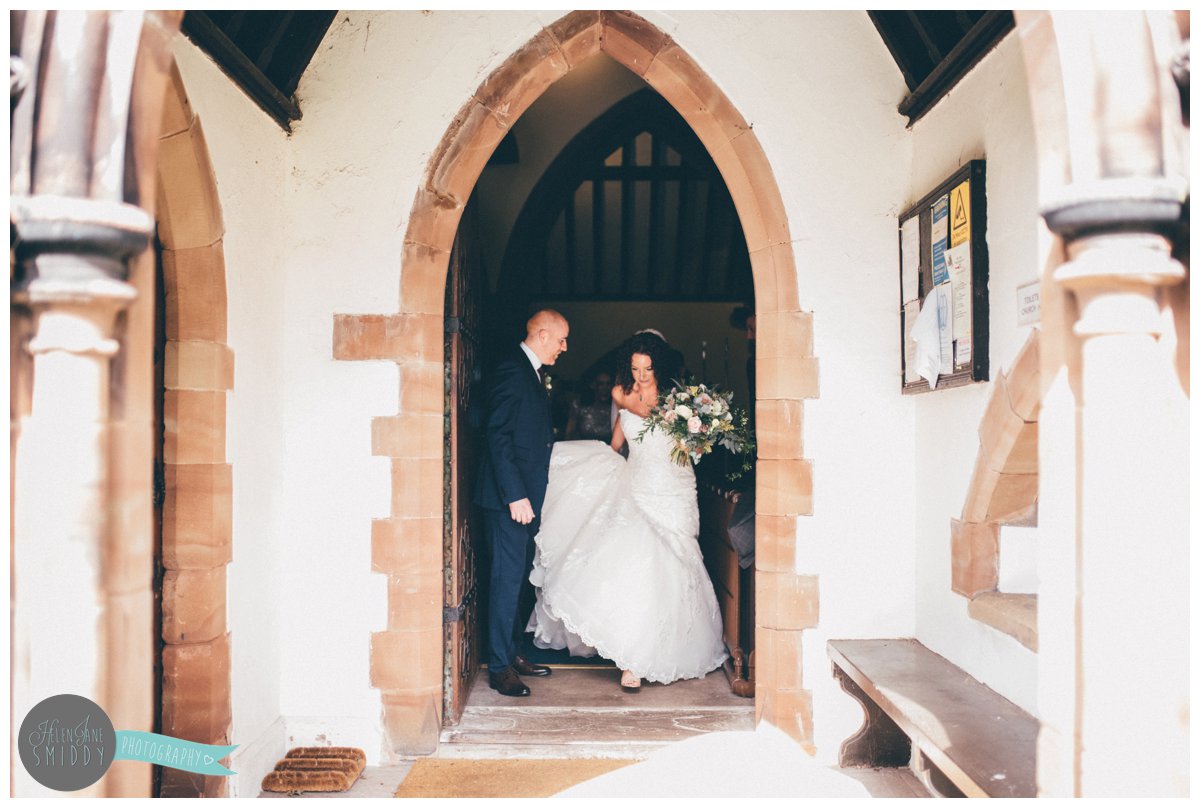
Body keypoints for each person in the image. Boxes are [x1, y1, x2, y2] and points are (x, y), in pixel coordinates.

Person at [526, 331, 727, 691]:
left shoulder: (681, 398)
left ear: (658, 366)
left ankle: (677, 645)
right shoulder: (625, 394)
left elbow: (690, 442)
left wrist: (697, 430)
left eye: (647, 369)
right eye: (634, 369)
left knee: (679, 565)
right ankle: (633, 658)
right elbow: (618, 442)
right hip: (638, 486)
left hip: (676, 487)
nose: (641, 376)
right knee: (640, 565)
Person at [473, 309, 569, 697]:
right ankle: (499, 667)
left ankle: (511, 653)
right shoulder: (513, 370)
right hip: (507, 500)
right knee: (505, 580)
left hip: (526, 498)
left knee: (519, 581)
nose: (565, 347)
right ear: (543, 335)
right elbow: (498, 435)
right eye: (561, 340)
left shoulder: (529, 371)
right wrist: (515, 494)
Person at [564, 369, 615, 441]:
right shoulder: (579, 404)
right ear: (593, 385)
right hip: (583, 449)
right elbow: (569, 433)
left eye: (608, 384)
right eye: (601, 384)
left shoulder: (616, 407)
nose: (605, 388)